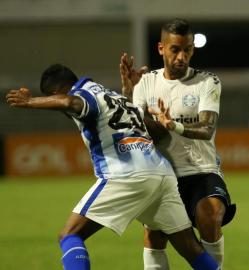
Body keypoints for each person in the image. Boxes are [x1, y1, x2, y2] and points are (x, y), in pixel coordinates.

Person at [6, 64, 220, 270]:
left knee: (70, 235)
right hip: (162, 174)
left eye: (54, 97)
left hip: (126, 174)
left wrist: (31, 101)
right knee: (191, 248)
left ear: (57, 92)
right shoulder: (117, 98)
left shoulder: (83, 94)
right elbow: (161, 135)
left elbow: (72, 103)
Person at [120, 18, 236, 269]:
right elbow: (136, 129)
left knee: (210, 215)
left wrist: (174, 125)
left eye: (188, 49)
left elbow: (206, 129)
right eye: (175, 49)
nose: (182, 56)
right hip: (162, 173)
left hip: (201, 171)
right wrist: (129, 96)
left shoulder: (208, 82)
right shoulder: (146, 83)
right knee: (154, 234)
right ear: (161, 48)